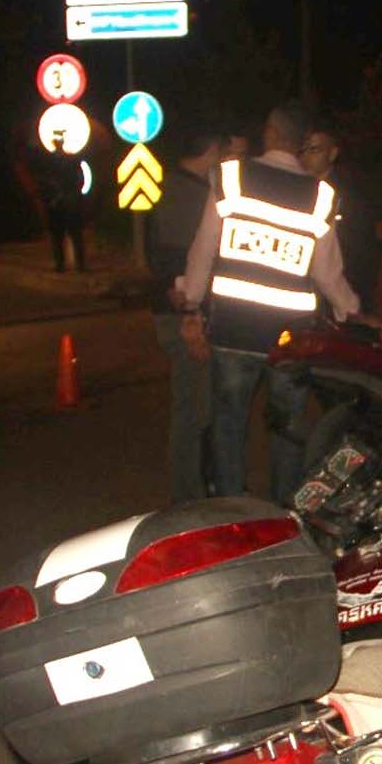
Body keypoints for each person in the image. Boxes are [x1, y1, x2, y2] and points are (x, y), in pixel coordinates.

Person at [179, 101, 366, 503]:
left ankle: (231, 510)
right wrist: (351, 312)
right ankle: (284, 512)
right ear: (301, 145)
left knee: (229, 424)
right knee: (287, 428)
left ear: (268, 133)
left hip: (233, 329)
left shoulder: (231, 178)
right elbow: (327, 272)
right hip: (290, 337)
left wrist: (191, 299)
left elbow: (203, 248)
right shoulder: (320, 196)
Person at [145, 131, 220, 502]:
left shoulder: (172, 187)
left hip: (180, 315)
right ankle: (187, 502)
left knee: (194, 409)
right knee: (192, 412)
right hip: (183, 319)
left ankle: (193, 491)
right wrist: (191, 316)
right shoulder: (186, 193)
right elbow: (177, 265)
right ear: (211, 150)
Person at [301, 117, 382, 315]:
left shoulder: (347, 197)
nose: (305, 157)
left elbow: (361, 253)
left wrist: (354, 305)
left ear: (332, 153)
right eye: (302, 150)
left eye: (315, 150)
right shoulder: (295, 189)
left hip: (338, 296)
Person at [41, 137, 87, 273]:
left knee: (75, 234)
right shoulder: (48, 161)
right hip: (55, 203)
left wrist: (73, 194)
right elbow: (44, 180)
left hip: (70, 201)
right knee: (57, 235)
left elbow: (80, 179)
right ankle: (60, 264)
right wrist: (51, 197)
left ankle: (80, 264)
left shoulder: (72, 160)